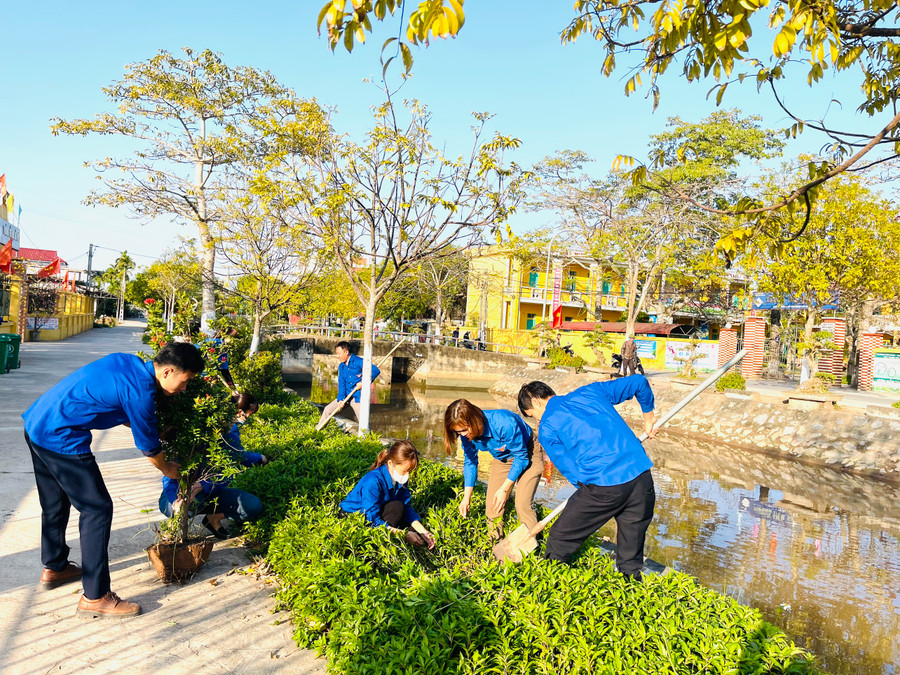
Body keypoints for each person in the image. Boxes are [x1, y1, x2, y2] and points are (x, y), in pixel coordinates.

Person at [22, 341, 204, 618]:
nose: (185, 388)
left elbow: (114, 403)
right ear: (168, 372)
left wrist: (152, 427)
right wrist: (167, 468)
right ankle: (95, 596)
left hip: (37, 423)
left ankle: (55, 566)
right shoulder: (141, 393)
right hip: (60, 437)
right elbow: (150, 449)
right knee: (97, 509)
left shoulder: (126, 362)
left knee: (55, 502)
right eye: (185, 381)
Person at [517, 376, 658, 581]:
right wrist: (648, 419)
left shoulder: (547, 427)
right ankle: (630, 584)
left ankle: (549, 586)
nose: (538, 420)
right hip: (641, 476)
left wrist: (588, 493)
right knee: (631, 544)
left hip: (605, 485)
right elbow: (638, 382)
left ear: (536, 402)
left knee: (560, 537)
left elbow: (570, 469)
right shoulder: (590, 392)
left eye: (534, 415)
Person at [158, 393, 266, 539]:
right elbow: (169, 478)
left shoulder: (228, 436)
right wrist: (174, 502)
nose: (234, 422)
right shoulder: (189, 439)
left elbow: (227, 473)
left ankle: (212, 519)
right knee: (188, 506)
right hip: (179, 494)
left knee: (252, 505)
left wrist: (202, 486)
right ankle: (176, 527)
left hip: (210, 492)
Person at [443, 400, 544, 540]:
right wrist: (466, 498)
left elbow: (521, 457)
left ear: (474, 420)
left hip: (528, 451)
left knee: (522, 504)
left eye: (464, 430)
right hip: (503, 457)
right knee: (492, 507)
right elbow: (470, 462)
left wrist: (504, 489)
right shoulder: (465, 435)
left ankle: (530, 546)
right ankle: (494, 544)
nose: (462, 435)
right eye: (458, 432)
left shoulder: (504, 423)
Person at [339, 440, 435, 549]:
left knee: (414, 527)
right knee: (397, 508)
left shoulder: (400, 477)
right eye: (405, 471)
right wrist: (403, 534)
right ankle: (380, 545)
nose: (407, 475)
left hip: (377, 511)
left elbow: (406, 507)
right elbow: (371, 518)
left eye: (410, 471)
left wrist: (424, 532)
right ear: (390, 463)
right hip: (355, 516)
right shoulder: (373, 481)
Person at [316, 341, 381, 426]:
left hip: (357, 397)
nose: (338, 356)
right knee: (327, 410)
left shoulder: (358, 361)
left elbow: (375, 370)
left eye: (339, 353)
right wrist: (340, 399)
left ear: (346, 352)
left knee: (363, 420)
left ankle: (366, 434)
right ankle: (318, 430)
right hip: (346, 396)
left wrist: (363, 383)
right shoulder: (342, 366)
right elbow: (342, 383)